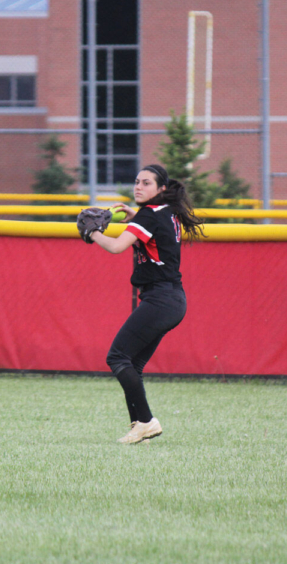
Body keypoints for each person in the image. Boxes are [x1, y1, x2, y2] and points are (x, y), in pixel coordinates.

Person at [87, 164, 204, 444]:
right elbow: (152, 231)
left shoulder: (149, 216)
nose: (139, 187)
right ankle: (140, 426)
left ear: (161, 189)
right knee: (133, 364)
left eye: (147, 183)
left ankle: (147, 422)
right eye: (137, 182)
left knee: (117, 357)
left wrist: (92, 234)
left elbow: (116, 247)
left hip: (162, 298)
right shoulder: (165, 212)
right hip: (171, 298)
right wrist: (133, 216)